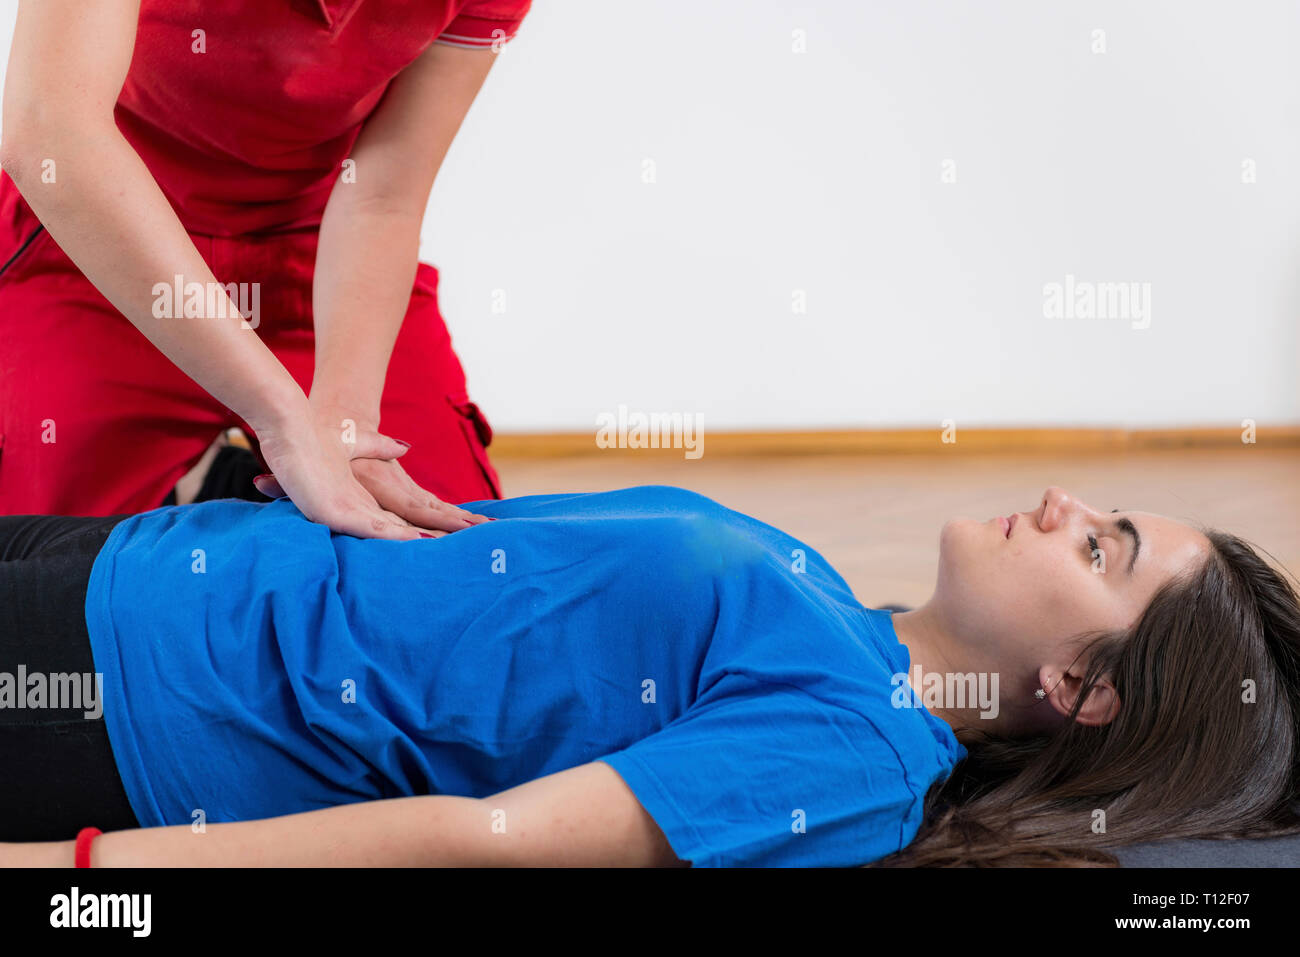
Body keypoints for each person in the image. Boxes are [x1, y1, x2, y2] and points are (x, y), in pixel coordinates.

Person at [1, 484, 1298, 866]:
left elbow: (487, 842)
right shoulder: (849, 621)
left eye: (1104, 548)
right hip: (161, 568)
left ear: (1080, 686)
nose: (1067, 504)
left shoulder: (861, 752)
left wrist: (79, 876)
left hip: (142, 698)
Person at [0, 0, 531, 537]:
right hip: (102, 246)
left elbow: (382, 196)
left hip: (318, 258)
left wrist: (344, 426)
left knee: (444, 560)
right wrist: (284, 419)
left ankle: (225, 489)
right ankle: (212, 489)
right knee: (41, 563)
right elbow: (52, 132)